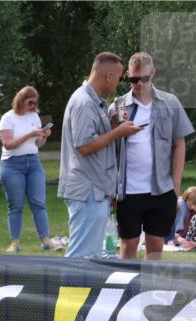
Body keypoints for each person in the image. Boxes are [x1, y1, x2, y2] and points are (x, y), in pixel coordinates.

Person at [58, 52, 143, 258]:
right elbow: (84, 145)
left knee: (93, 256)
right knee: (81, 256)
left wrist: (111, 125)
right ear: (109, 76)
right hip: (87, 190)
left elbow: (93, 137)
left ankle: (85, 290)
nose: (119, 82)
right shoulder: (84, 102)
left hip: (95, 190)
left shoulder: (94, 101)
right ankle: (68, 290)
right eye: (119, 77)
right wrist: (118, 132)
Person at [113, 52, 195, 261]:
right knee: (128, 245)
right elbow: (109, 149)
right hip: (128, 190)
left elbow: (179, 144)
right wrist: (111, 187)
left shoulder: (170, 102)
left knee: (156, 246)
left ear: (153, 74)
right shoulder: (119, 105)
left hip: (161, 189)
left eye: (144, 78)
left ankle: (150, 291)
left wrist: (176, 184)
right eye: (133, 79)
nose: (138, 84)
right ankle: (126, 290)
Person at [0, 86, 61, 252]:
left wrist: (43, 136)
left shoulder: (34, 116)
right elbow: (8, 144)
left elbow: (37, 145)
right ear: (21, 100)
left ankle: (46, 241)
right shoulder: (7, 118)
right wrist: (29, 135)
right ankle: (15, 243)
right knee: (15, 205)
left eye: (35, 103)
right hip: (12, 165)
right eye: (30, 102)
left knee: (39, 203)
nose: (32, 106)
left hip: (33, 163)